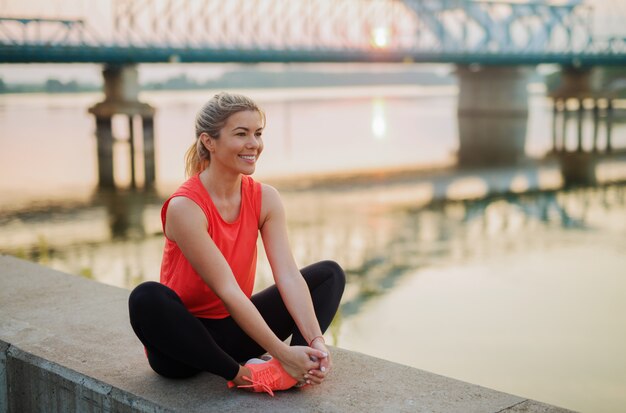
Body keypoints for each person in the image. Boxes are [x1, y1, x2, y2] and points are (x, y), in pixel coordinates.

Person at [128, 92, 345, 396]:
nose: (254, 143)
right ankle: (246, 376)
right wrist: (278, 350)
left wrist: (315, 343)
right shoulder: (186, 207)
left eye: (257, 133)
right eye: (241, 134)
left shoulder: (265, 198)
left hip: (234, 332)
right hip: (183, 347)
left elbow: (288, 275)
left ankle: (295, 369)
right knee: (146, 297)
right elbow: (228, 290)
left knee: (329, 274)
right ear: (209, 141)